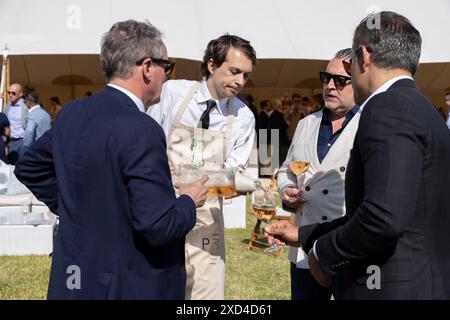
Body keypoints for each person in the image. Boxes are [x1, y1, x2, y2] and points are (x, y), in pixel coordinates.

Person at [14, 19, 209, 300]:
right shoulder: (141, 128)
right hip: (126, 284)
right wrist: (189, 200)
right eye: (166, 67)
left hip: (73, 279)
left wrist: (78, 208)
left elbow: (30, 167)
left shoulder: (71, 113)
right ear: (146, 67)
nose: (166, 77)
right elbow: (158, 227)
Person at [265, 11, 450, 300]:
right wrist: (305, 235)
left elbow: (382, 217)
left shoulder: (387, 108)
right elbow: (398, 206)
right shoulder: (426, 111)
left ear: (364, 56)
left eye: (347, 69)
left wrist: (322, 253)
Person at [148, 34, 256, 299]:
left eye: (246, 75)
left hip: (207, 225)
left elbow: (235, 174)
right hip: (161, 214)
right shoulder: (172, 93)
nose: (240, 81)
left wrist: (237, 182)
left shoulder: (243, 117)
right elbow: (148, 147)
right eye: (234, 72)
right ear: (211, 65)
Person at [277, 48, 358, 300]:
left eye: (340, 80)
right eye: (326, 78)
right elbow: (286, 170)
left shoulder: (369, 124)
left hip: (344, 247)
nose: (330, 86)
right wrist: (286, 190)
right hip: (303, 246)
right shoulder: (306, 124)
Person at [4, 83, 28, 164]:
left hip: (22, 142)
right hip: (11, 142)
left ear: (20, 94)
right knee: (11, 167)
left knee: (23, 166)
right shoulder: (7, 106)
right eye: (9, 92)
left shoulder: (26, 106)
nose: (10, 95)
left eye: (13, 93)